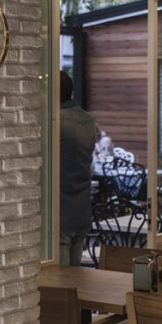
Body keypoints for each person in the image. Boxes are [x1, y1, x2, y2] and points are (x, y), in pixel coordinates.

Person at [59, 70, 98, 266]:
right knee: (75, 275)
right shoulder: (89, 120)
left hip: (60, 208)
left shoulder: (56, 122)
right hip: (82, 206)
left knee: (60, 278)